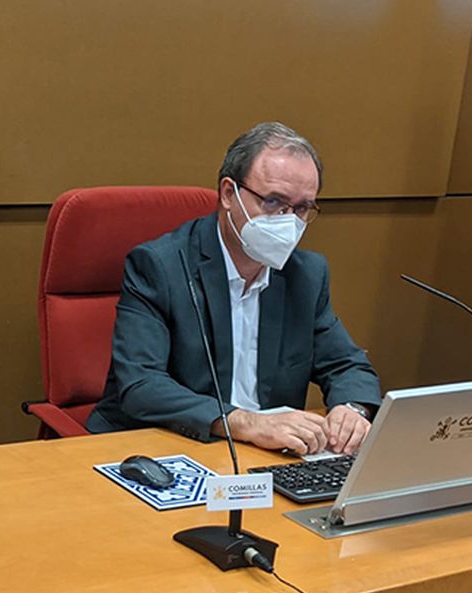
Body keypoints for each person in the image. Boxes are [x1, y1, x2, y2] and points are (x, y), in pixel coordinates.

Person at [87, 122, 382, 455]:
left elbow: (346, 365)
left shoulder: (305, 275)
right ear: (229, 194)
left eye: (301, 208)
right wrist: (247, 423)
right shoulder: (160, 266)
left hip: (265, 455)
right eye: (273, 202)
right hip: (166, 447)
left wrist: (352, 409)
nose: (288, 220)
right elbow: (142, 386)